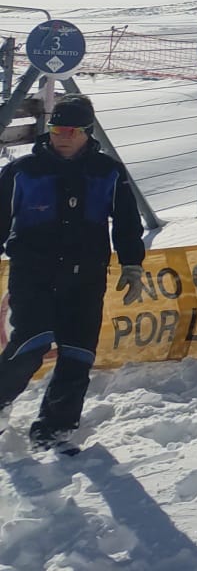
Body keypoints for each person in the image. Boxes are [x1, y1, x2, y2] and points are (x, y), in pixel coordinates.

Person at [0, 96, 145, 449]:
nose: (61, 136)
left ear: (86, 133)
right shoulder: (22, 172)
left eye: (70, 130)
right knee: (31, 343)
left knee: (78, 351)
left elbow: (126, 221)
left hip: (87, 275)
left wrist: (131, 264)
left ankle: (56, 426)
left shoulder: (107, 171)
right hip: (33, 273)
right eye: (56, 128)